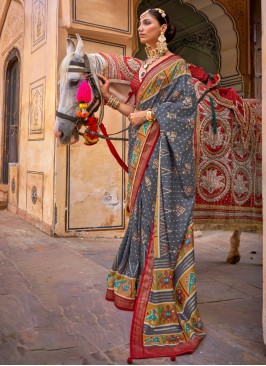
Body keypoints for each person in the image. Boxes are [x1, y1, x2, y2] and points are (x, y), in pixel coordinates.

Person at [97, 8, 205, 362]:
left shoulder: (177, 66)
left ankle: (163, 302)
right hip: (142, 147)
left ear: (163, 30)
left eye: (147, 23)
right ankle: (135, 288)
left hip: (163, 153)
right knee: (142, 219)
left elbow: (186, 108)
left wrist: (155, 114)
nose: (140, 28)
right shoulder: (142, 68)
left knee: (158, 220)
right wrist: (109, 95)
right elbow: (135, 113)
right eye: (140, 22)